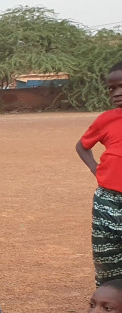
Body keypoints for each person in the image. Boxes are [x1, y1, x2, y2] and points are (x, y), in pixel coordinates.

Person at [76, 61, 122, 285]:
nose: (117, 93)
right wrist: (96, 168)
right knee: (107, 257)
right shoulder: (107, 119)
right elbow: (82, 146)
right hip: (107, 201)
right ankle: (109, 295)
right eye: (112, 89)